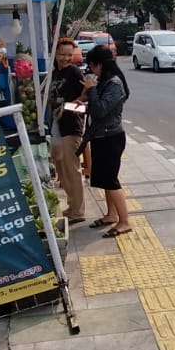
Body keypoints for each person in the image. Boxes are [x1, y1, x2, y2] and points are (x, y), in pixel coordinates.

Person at [80, 44, 132, 238]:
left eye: (92, 66)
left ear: (100, 64)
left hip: (111, 138)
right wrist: (79, 105)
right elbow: (95, 108)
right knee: (104, 180)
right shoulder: (104, 82)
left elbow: (101, 110)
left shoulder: (114, 84)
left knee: (111, 180)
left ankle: (124, 222)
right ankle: (111, 215)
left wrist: (91, 89)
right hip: (101, 136)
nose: (91, 70)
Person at [48, 37, 87, 225]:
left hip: (72, 126)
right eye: (62, 54)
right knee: (62, 171)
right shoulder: (54, 72)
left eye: (69, 55)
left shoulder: (74, 72)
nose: (66, 58)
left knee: (72, 170)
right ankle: (72, 206)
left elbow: (87, 93)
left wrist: (71, 105)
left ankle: (78, 211)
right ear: (55, 54)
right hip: (57, 125)